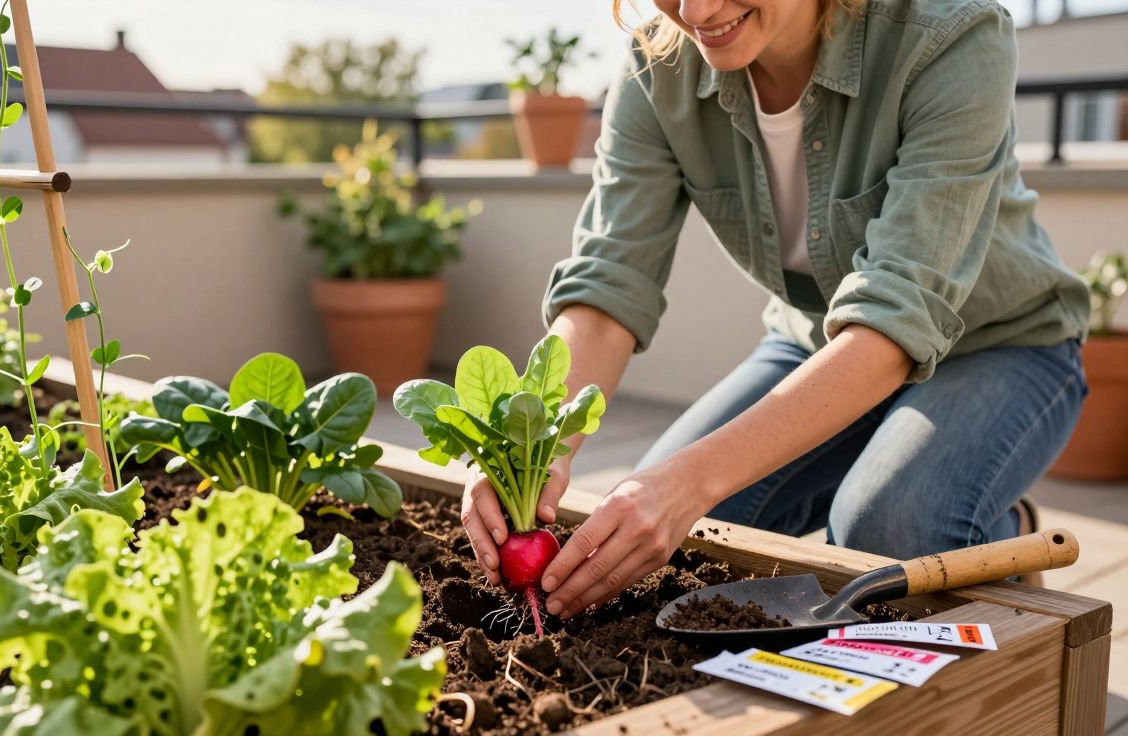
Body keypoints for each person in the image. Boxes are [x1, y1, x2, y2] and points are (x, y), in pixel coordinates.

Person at [460, 0, 1090, 621]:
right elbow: (606, 291)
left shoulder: (949, 34)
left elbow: (894, 318)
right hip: (816, 344)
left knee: (889, 527)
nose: (697, 10)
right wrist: (534, 448)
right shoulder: (658, 67)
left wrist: (690, 481)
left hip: (1001, 347)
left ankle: (1004, 535)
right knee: (668, 544)